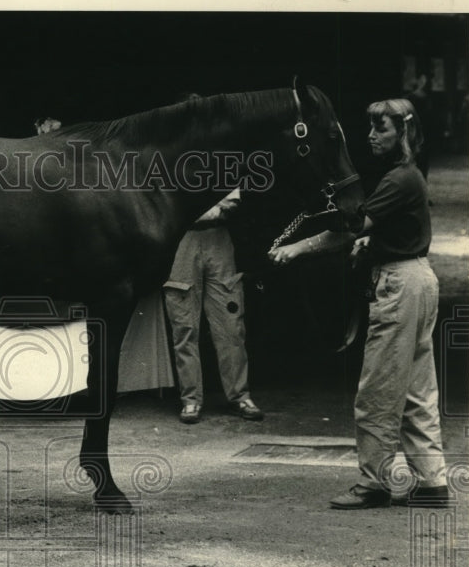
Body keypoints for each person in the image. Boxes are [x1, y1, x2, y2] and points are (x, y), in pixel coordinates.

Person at [269, 98, 449, 510]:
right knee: (418, 391)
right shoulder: (407, 176)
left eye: (380, 129)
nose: (370, 136)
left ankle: (374, 483)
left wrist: (298, 248)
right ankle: (432, 482)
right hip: (417, 277)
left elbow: (351, 227)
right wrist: (376, 242)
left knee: (377, 391)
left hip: (401, 285)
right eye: (370, 128)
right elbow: (383, 229)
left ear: (402, 132)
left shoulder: (399, 179)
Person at [164, 189, 264, 424]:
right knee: (183, 323)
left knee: (230, 322)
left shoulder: (217, 156)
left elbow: (233, 200)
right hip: (181, 239)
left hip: (218, 236)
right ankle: (190, 399)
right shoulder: (175, 156)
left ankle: (240, 395)